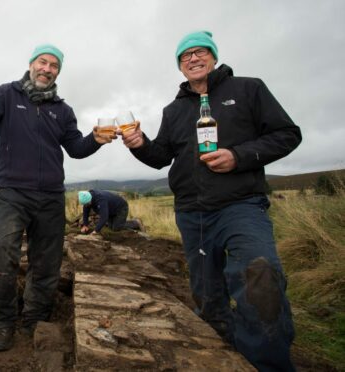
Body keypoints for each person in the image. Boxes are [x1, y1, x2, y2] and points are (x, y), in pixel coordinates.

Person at [120, 31, 301, 371]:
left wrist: (239, 155)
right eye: (184, 56)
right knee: (207, 293)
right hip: (192, 213)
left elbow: (287, 134)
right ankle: (222, 355)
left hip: (241, 205)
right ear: (179, 65)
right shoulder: (173, 110)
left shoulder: (249, 89)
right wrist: (139, 143)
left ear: (213, 57)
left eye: (200, 52)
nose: (192, 58)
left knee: (261, 277)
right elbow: (161, 156)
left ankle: (267, 363)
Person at [0, 44, 115, 352]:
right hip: (12, 193)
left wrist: (95, 140)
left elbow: (76, 148)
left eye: (54, 65)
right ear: (31, 64)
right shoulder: (7, 94)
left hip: (51, 197)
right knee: (0, 248)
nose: (47, 68)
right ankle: (2, 321)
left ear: (58, 72)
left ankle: (34, 318)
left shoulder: (63, 110)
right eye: (43, 62)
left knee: (46, 262)